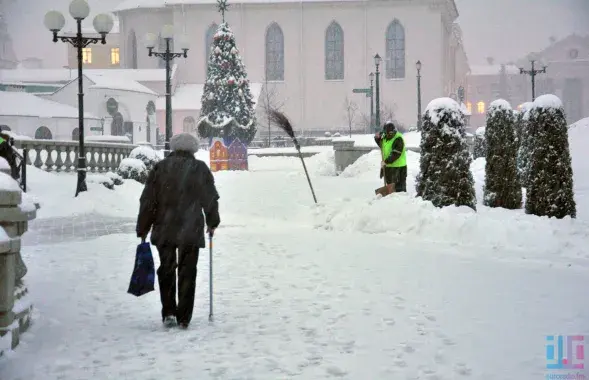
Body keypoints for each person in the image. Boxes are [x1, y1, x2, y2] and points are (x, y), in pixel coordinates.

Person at [136, 133, 220, 329]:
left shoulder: (160, 168)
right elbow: (210, 198)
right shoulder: (199, 169)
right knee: (187, 271)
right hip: (191, 227)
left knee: (166, 269)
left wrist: (143, 227)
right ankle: (184, 316)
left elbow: (148, 200)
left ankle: (169, 312)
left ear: (174, 148)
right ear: (193, 149)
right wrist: (212, 221)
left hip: (165, 227)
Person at [374, 122, 407, 192]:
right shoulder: (385, 138)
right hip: (389, 168)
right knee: (391, 191)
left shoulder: (398, 139)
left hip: (398, 168)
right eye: (387, 133)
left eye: (391, 132)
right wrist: (377, 138)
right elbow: (381, 145)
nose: (389, 134)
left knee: (399, 191)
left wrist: (386, 162)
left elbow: (396, 153)